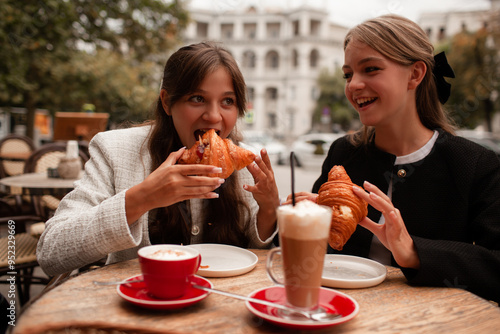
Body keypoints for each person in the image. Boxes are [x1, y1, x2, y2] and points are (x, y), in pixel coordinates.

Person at [288, 15, 500, 303]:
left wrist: (413, 252)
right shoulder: (342, 153)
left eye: (371, 69)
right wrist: (276, 212)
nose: (353, 85)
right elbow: (306, 249)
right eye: (348, 74)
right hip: (334, 311)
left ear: (415, 74)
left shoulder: (475, 164)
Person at [37, 42, 280, 276]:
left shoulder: (250, 164)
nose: (214, 116)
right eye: (197, 98)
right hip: (139, 306)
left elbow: (257, 261)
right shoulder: (115, 150)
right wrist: (141, 198)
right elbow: (52, 252)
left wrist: (269, 209)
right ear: (166, 101)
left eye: (228, 101)